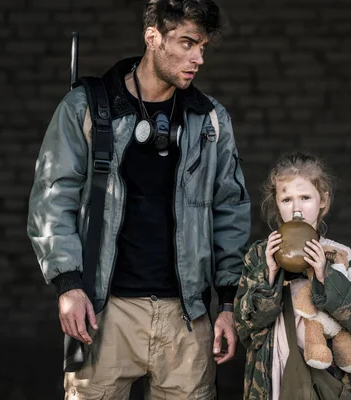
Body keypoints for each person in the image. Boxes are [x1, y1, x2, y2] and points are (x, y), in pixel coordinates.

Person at [27, 0, 251, 398]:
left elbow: (229, 210)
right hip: (105, 312)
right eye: (187, 43)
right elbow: (51, 197)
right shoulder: (86, 108)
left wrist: (230, 304)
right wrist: (68, 285)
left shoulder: (210, 120)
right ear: (153, 38)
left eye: (203, 47)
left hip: (188, 318)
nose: (198, 57)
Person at [234, 152, 351, 400]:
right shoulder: (258, 255)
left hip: (325, 381)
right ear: (276, 203)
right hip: (271, 380)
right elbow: (246, 328)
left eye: (305, 197)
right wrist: (269, 274)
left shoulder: (339, 255)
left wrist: (326, 275)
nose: (296, 208)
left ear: (323, 200)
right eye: (286, 199)